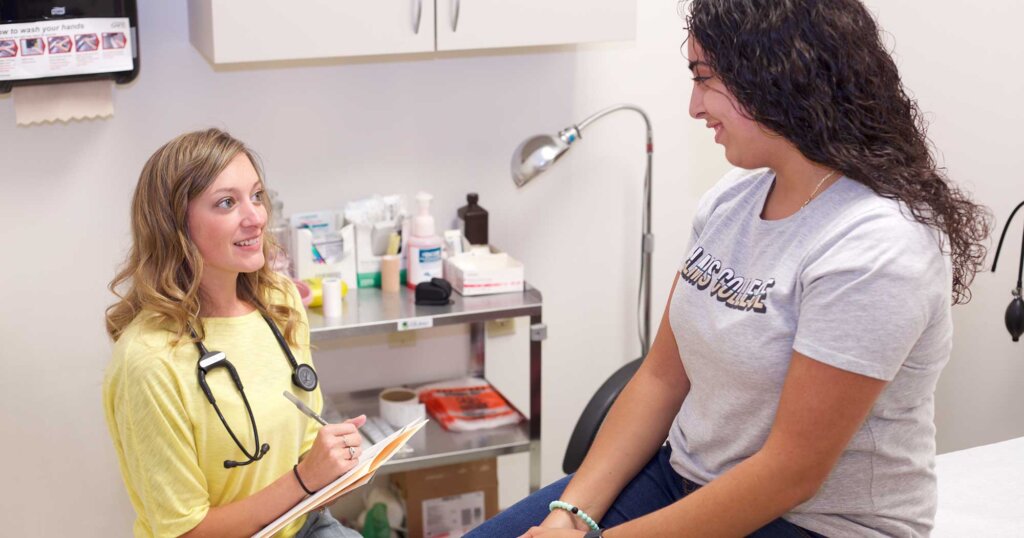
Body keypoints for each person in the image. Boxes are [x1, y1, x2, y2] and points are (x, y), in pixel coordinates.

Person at [468, 1, 991, 537]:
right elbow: (660, 377)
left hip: (813, 523)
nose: (694, 107)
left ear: (777, 74)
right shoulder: (735, 198)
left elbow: (790, 473)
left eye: (704, 79)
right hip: (683, 478)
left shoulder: (877, 246)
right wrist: (569, 517)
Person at [103, 129, 366, 537]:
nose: (256, 217)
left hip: (306, 524)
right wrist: (306, 479)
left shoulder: (278, 301)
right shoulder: (149, 362)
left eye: (256, 196)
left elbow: (302, 447)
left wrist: (335, 467)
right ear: (175, 226)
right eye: (227, 203)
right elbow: (187, 532)